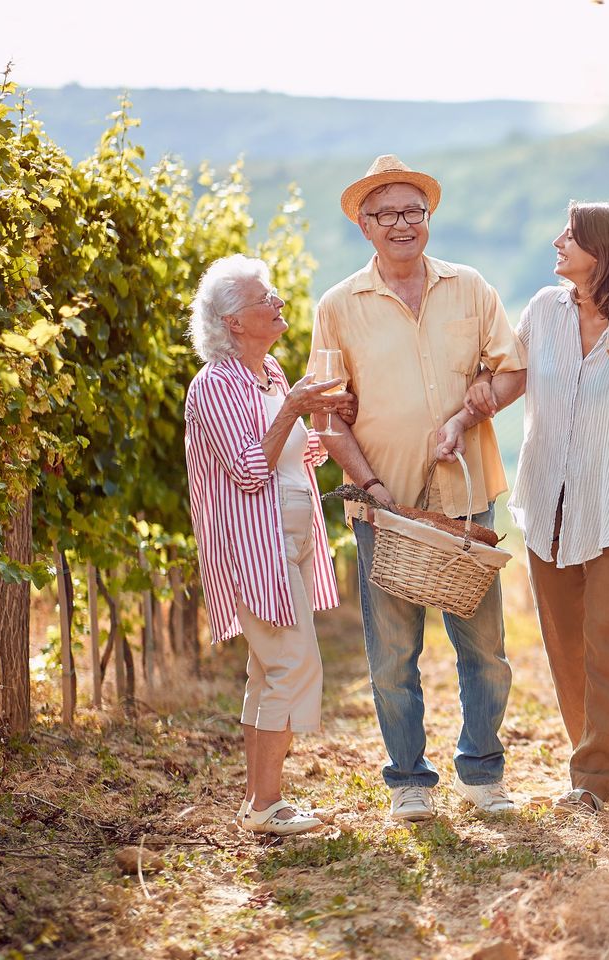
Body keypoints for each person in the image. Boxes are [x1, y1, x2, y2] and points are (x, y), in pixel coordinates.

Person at [310, 155, 526, 822]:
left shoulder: (471, 287)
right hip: (385, 508)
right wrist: (369, 487)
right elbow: (327, 412)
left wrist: (467, 415)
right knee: (391, 655)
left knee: (483, 648)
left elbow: (511, 372)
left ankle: (482, 773)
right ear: (364, 226)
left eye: (413, 211)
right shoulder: (339, 307)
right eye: (387, 214)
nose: (402, 223)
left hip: (464, 502)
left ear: (427, 219)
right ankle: (408, 781)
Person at [449, 201, 609, 816]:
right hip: (546, 500)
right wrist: (472, 406)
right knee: (566, 647)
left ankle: (597, 779)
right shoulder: (543, 311)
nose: (556, 242)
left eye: (569, 236)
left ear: (600, 250)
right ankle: (586, 762)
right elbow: (513, 378)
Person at [184, 254, 354, 835]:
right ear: (234, 321)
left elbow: (295, 456)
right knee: (292, 663)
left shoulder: (273, 373)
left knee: (268, 669)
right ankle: (268, 803)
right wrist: (295, 409)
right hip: (255, 542)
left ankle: (260, 804)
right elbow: (250, 468)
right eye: (266, 298)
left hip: (293, 534)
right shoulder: (214, 384)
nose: (278, 302)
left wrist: (323, 419)